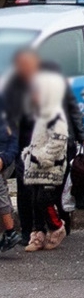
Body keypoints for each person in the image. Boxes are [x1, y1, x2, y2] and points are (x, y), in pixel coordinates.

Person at [21, 71, 70, 251]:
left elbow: (59, 139)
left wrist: (44, 157)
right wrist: (30, 155)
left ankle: (57, 227)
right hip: (35, 165)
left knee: (44, 199)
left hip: (50, 166)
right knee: (34, 199)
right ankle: (38, 234)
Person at [0, 94, 22, 252]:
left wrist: (4, 159)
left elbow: (13, 142)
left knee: (2, 194)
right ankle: (10, 232)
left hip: (3, 160)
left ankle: (10, 233)